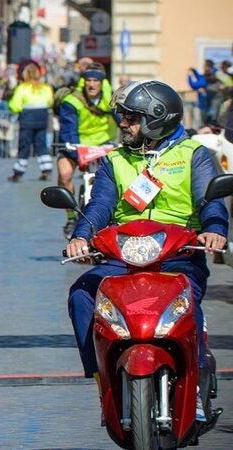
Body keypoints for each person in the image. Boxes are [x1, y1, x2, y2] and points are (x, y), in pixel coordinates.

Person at [65, 80, 227, 421]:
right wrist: (81, 236)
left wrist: (214, 229)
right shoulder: (115, 161)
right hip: (122, 259)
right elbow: (99, 206)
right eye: (122, 116)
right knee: (81, 294)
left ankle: (194, 390)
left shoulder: (193, 155)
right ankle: (102, 380)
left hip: (177, 257)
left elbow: (209, 200)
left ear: (157, 118)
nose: (122, 123)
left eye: (131, 117)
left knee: (187, 307)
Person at [57, 63, 118, 238]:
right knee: (65, 173)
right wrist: (78, 154)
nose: (91, 85)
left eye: (95, 81)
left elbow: (124, 120)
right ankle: (70, 217)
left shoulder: (111, 98)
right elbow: (68, 131)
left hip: (104, 144)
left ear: (102, 82)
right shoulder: (72, 101)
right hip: (77, 145)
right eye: (88, 80)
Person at [7, 63, 54, 182]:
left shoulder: (22, 88)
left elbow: (15, 105)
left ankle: (18, 171)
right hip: (42, 119)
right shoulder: (46, 88)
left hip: (27, 120)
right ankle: (46, 169)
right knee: (41, 145)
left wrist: (16, 108)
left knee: (24, 146)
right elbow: (50, 102)